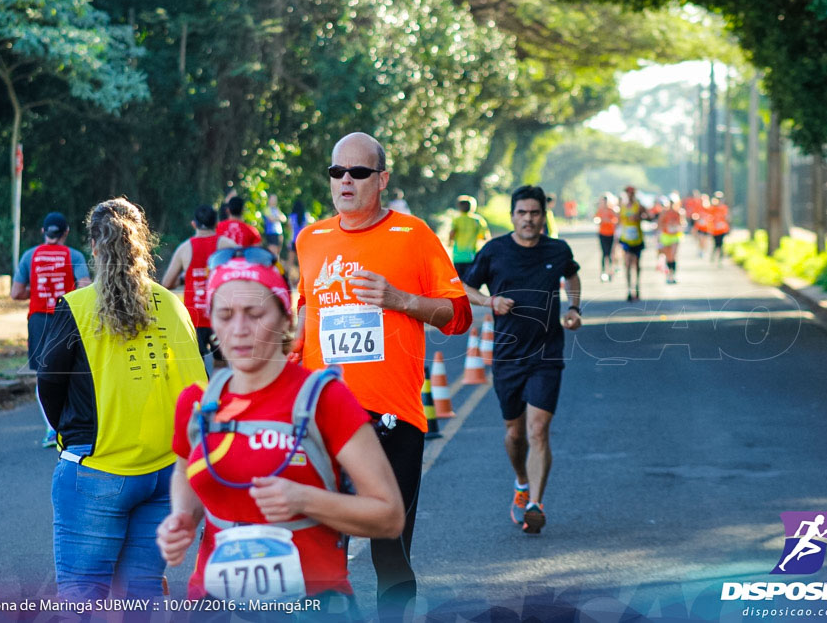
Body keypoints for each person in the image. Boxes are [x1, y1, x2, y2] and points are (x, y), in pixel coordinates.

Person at [156, 250, 405, 612]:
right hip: (213, 603)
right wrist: (181, 517)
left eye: (255, 314)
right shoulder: (197, 402)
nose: (238, 329)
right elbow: (184, 470)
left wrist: (303, 500)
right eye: (224, 315)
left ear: (285, 317)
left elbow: (389, 516)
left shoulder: (325, 399)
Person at [294, 132, 472, 618]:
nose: (346, 181)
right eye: (337, 172)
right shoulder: (310, 239)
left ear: (383, 178)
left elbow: (459, 317)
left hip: (393, 419)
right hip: (322, 419)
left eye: (359, 172)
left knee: (388, 551)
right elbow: (305, 317)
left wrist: (401, 301)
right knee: (319, 552)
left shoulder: (414, 235)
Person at [37, 198, 206, 600]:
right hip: (164, 474)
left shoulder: (77, 307)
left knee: (81, 597)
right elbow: (196, 391)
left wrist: (73, 436)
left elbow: (49, 383)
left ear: (94, 246)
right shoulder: (171, 304)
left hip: (96, 466)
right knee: (140, 595)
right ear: (142, 245)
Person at [461, 185, 582, 535]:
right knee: (515, 434)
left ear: (544, 216)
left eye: (535, 213)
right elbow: (463, 287)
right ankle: (521, 482)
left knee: (538, 430)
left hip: (547, 354)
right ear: (513, 215)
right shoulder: (495, 251)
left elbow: (571, 275)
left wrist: (573, 308)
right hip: (508, 356)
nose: (528, 219)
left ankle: (535, 505)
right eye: (522, 213)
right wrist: (489, 302)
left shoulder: (557, 250)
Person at [11, 212, 91, 447]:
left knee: (43, 372)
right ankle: (71, 424)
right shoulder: (73, 255)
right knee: (71, 368)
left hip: (38, 319)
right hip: (66, 317)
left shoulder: (30, 255)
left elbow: (16, 293)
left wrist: (36, 292)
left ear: (44, 232)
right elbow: (85, 286)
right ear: (66, 232)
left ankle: (50, 429)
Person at [160, 205, 224, 370]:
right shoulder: (226, 244)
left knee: (198, 366)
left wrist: (184, 278)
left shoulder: (184, 248)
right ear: (216, 223)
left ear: (194, 224)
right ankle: (220, 393)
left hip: (194, 319)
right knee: (222, 366)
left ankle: (202, 394)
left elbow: (166, 283)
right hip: (221, 317)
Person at [619, 185, 649, 302]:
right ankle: (628, 289)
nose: (630, 195)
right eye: (628, 193)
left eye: (632, 193)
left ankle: (636, 288)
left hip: (637, 240)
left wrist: (640, 217)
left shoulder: (639, 206)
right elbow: (619, 221)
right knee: (627, 264)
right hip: (626, 239)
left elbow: (648, 216)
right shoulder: (622, 207)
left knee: (636, 265)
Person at [448, 195, 489, 280]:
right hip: (472, 256)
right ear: (472, 207)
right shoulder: (477, 220)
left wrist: (449, 242)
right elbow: (484, 237)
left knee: (460, 281)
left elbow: (452, 233)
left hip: (458, 256)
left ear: (459, 207)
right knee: (470, 281)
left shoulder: (457, 219)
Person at [657, 196, 685, 284]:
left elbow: (681, 223)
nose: (672, 205)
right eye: (670, 203)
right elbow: (660, 224)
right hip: (666, 236)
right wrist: (663, 229)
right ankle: (668, 275)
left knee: (673, 255)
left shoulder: (678, 212)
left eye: (673, 203)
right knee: (668, 256)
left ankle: (673, 275)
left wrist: (676, 226)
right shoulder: (664, 213)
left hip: (675, 236)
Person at [593, 194, 619, 282]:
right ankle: (603, 272)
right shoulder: (600, 210)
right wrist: (600, 221)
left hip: (610, 234)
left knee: (610, 254)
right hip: (602, 234)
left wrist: (608, 220)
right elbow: (596, 219)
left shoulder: (611, 210)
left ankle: (610, 271)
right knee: (604, 254)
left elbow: (616, 221)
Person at [261, 193, 287, 258]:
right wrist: (279, 218)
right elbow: (271, 219)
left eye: (275, 199)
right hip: (271, 233)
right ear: (269, 200)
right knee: (272, 251)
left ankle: (276, 266)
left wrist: (277, 218)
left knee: (278, 251)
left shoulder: (277, 209)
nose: (274, 201)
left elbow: (284, 218)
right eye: (272, 199)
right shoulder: (267, 209)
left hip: (279, 232)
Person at [709, 191, 731, 265]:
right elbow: (709, 218)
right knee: (716, 244)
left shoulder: (724, 208)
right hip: (714, 229)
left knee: (721, 244)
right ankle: (714, 255)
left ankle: (720, 259)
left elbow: (727, 218)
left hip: (722, 229)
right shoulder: (712, 208)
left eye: (720, 199)